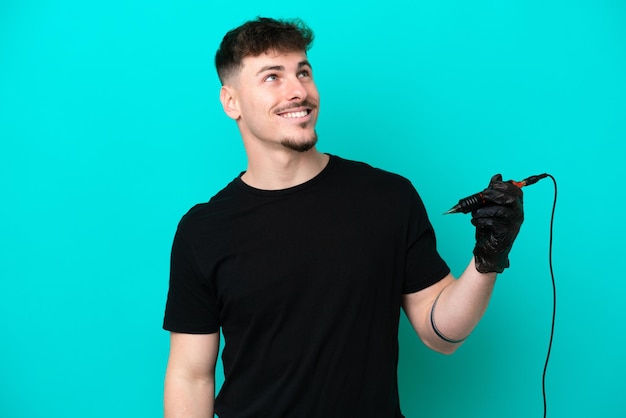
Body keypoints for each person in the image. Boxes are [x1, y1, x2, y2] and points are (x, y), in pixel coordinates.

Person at [163, 17, 524, 418]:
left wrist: (487, 261)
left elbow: (443, 336)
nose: (298, 91)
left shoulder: (388, 197)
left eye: (303, 72)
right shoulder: (203, 230)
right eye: (272, 77)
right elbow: (191, 375)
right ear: (231, 102)